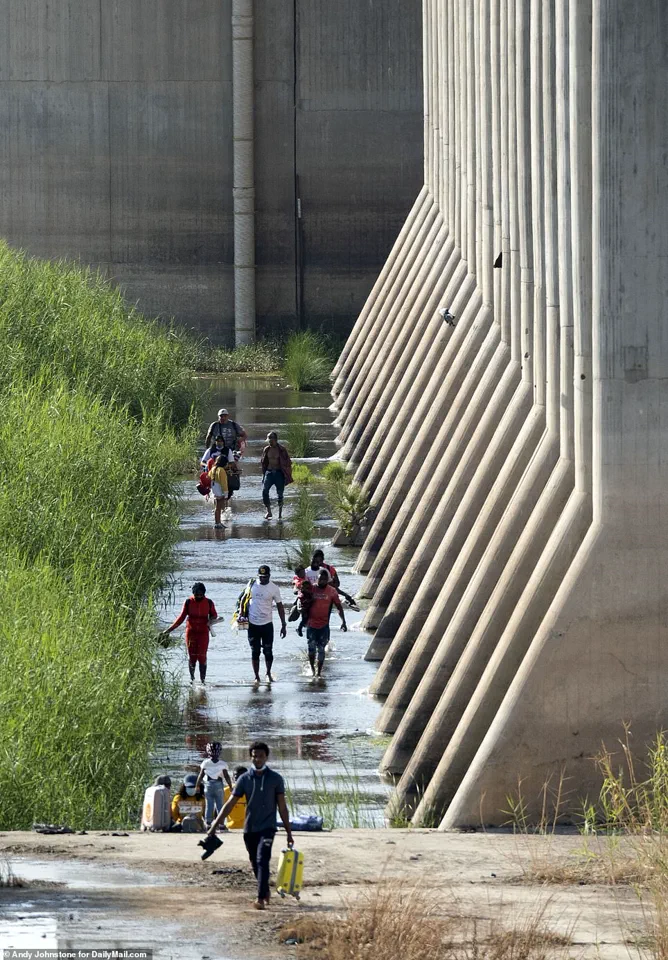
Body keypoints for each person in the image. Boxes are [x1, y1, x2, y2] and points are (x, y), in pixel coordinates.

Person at [208, 740, 294, 910]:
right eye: (255, 757)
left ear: (266, 757)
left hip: (268, 828)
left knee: (263, 859)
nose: (258, 760)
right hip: (250, 829)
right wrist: (214, 826)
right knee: (254, 861)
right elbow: (230, 804)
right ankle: (265, 890)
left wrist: (289, 832)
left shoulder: (275, 779)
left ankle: (261, 898)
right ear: (251, 758)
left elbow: (282, 807)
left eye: (261, 756)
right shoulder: (245, 779)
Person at [161, 582, 217, 684]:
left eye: (201, 595)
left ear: (204, 594)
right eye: (197, 595)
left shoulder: (209, 603)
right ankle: (192, 680)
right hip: (190, 632)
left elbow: (214, 615)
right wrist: (168, 630)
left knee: (202, 656)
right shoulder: (188, 602)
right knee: (192, 657)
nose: (199, 596)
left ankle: (203, 681)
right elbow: (181, 618)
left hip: (203, 633)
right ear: (193, 594)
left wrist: (211, 620)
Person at [303, 568, 347, 679]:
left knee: (321, 649)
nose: (321, 581)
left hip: (324, 626)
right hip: (311, 625)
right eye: (320, 578)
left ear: (327, 580)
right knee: (311, 649)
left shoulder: (332, 591)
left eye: (324, 579)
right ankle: (312, 669)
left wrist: (343, 622)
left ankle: (319, 673)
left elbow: (339, 607)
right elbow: (301, 596)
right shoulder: (312, 588)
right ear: (317, 578)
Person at [247, 565, 287, 683]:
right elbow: (243, 601)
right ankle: (256, 676)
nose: (263, 579)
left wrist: (283, 624)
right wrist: (240, 618)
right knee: (255, 651)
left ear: (269, 576)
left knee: (268, 651)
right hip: (253, 624)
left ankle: (268, 673)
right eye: (261, 577)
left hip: (267, 624)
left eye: (265, 577)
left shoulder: (274, 588)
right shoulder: (251, 585)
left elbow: (280, 606)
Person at [196, 741, 233, 829]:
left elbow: (201, 775)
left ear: (208, 751)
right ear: (220, 751)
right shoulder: (223, 764)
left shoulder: (205, 763)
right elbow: (226, 776)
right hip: (219, 785)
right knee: (220, 804)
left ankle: (208, 823)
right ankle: (221, 824)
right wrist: (230, 786)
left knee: (209, 804)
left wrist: (197, 785)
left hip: (208, 785)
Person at [260, 431, 292, 520]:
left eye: (271, 439)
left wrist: (287, 475)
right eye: (268, 439)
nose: (270, 441)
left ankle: (280, 514)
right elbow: (263, 463)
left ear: (276, 439)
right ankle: (269, 511)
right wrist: (263, 475)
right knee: (264, 491)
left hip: (279, 473)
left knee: (280, 494)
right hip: (269, 473)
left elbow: (288, 463)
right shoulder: (266, 449)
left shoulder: (282, 449)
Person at [222, 765, 249, 830]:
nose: (240, 780)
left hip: (248, 828)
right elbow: (218, 811)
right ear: (232, 778)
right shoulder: (225, 792)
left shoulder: (253, 791)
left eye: (243, 777)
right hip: (231, 827)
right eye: (237, 777)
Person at [208, 453, 229, 529]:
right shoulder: (221, 470)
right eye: (226, 463)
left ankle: (218, 522)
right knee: (218, 507)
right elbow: (224, 483)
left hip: (214, 487)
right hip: (219, 488)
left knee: (218, 507)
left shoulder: (213, 468)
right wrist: (226, 493)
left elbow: (209, 476)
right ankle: (217, 523)